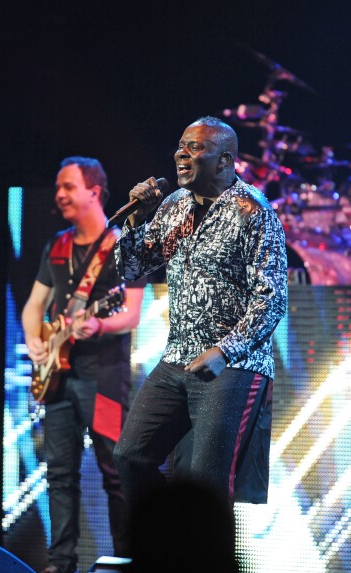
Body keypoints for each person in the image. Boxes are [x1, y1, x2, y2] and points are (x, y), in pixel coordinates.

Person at [112, 116, 288, 510]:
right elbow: (130, 269)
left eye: (194, 148)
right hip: (176, 359)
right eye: (180, 145)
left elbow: (271, 299)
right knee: (130, 456)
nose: (181, 154)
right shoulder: (173, 205)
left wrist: (225, 352)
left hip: (233, 366)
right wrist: (137, 221)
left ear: (224, 161)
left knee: (206, 484)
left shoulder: (254, 212)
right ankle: (164, 546)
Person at [21, 156, 144, 573]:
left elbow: (130, 314)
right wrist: (35, 340)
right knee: (59, 473)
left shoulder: (121, 245)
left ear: (95, 191)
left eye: (68, 186)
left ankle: (127, 560)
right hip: (58, 378)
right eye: (57, 186)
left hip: (104, 375)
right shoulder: (55, 246)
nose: (59, 194)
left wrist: (99, 323)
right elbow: (34, 306)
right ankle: (60, 565)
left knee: (116, 467)